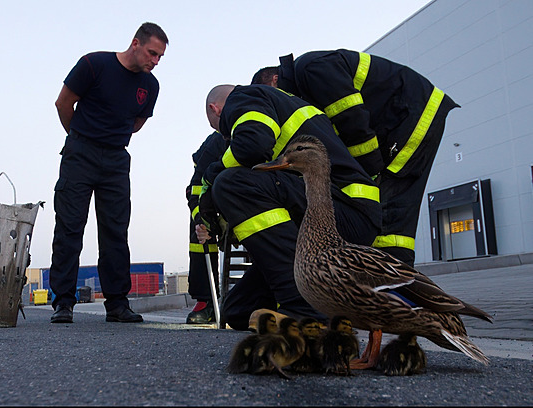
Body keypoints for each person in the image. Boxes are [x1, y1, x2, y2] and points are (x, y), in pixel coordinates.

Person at [197, 84, 382, 330]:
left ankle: (307, 310)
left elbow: (252, 144)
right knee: (239, 310)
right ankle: (330, 307)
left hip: (341, 208)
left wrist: (213, 174)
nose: (224, 137)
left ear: (216, 109)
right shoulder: (282, 103)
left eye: (218, 128)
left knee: (230, 183)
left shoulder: (245, 96)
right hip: (343, 210)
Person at [251, 50, 459, 266]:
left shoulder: (311, 68)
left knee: (391, 210)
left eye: (272, 95)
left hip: (412, 119)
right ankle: (388, 281)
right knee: (389, 207)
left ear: (275, 79)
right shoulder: (307, 81)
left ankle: (395, 286)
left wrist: (369, 171)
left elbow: (351, 120)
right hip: (403, 121)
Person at [49, 22, 168, 324]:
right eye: (152, 53)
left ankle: (117, 304)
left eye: (160, 58)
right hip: (80, 153)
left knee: (116, 231)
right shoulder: (95, 64)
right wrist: (79, 137)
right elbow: (64, 103)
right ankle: (63, 302)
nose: (154, 62)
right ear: (135, 43)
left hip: (116, 160)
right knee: (70, 227)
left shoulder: (150, 86)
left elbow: (137, 123)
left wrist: (109, 140)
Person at [184, 131, 227, 324]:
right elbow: (195, 190)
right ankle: (206, 300)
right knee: (198, 228)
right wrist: (202, 222)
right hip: (223, 200)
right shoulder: (215, 143)